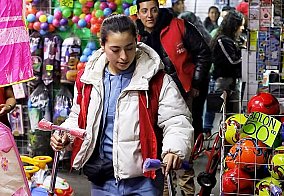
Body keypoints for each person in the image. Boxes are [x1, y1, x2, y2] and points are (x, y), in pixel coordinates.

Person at [50, 14, 193, 196]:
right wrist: (65, 135)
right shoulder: (89, 79)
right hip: (103, 179)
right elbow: (78, 118)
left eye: (129, 48)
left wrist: (174, 149)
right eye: (115, 50)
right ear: (102, 46)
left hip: (145, 180)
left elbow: (177, 119)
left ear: (137, 41)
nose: (124, 57)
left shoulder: (156, 80)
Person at [136, 0, 212, 195]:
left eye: (153, 10)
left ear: (159, 9)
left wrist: (195, 84)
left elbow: (204, 52)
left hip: (182, 93)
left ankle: (186, 191)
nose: (149, 15)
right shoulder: (133, 32)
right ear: (138, 13)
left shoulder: (179, 26)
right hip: (149, 96)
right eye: (144, 11)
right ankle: (164, 189)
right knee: (156, 143)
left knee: (180, 143)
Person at [208, 10, 245, 121]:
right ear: (234, 26)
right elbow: (232, 61)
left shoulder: (232, 40)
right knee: (227, 117)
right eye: (240, 25)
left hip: (232, 82)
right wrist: (245, 53)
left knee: (232, 116)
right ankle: (219, 135)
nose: (242, 28)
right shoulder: (223, 40)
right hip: (224, 82)